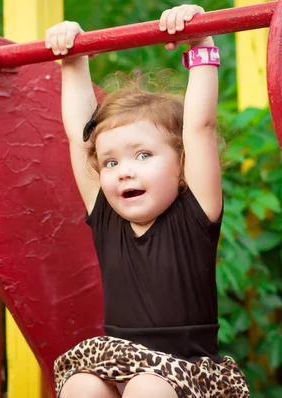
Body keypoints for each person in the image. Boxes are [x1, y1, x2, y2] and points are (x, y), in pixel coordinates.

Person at [45, 4, 250, 398]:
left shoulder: (195, 215)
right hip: (119, 361)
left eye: (143, 155)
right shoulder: (106, 214)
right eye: (111, 162)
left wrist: (200, 43)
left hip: (188, 375)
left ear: (182, 162)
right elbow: (79, 136)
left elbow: (200, 128)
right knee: (81, 385)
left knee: (147, 388)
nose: (123, 171)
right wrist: (73, 59)